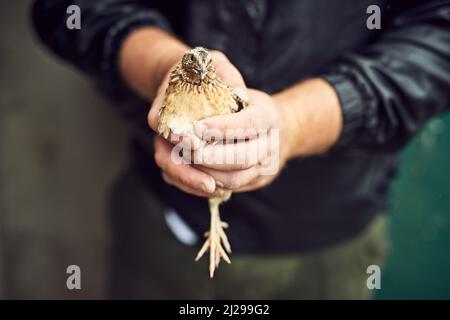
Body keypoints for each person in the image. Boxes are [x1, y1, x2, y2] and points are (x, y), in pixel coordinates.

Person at [32, 0, 450, 299]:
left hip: (330, 237)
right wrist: (160, 63)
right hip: (165, 221)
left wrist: (295, 122)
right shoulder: (185, 89)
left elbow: (439, 38)